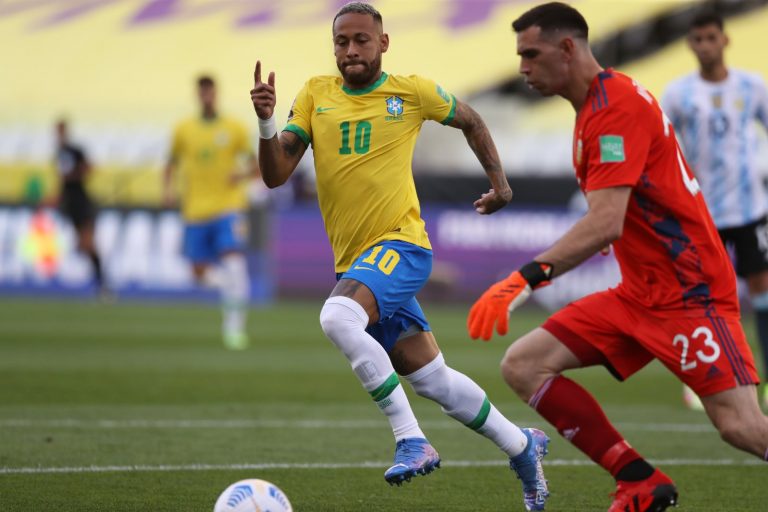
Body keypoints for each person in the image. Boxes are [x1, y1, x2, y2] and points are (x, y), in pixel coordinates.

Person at [467, 3, 768, 511]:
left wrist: (525, 278)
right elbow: (618, 218)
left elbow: (605, 221)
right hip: (639, 292)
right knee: (525, 365)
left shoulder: (616, 107)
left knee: (740, 426)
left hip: (689, 293)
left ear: (567, 49)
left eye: (530, 54)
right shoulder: (592, 111)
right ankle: (640, 481)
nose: (522, 68)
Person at [250, 2, 550, 509]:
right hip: (357, 264)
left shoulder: (410, 92)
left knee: (337, 317)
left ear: (383, 44)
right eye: (342, 41)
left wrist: (499, 186)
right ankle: (522, 447)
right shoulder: (315, 95)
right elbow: (276, 173)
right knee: (435, 381)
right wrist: (265, 122)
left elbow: (471, 120)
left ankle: (411, 439)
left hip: (401, 245)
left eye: (361, 40)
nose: (350, 50)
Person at [662, 11, 768, 410]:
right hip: (701, 212)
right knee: (701, 296)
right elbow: (662, 145)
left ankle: (767, 378)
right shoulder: (678, 93)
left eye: (711, 38)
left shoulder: (753, 87)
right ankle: (702, 378)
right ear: (690, 44)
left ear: (725, 40)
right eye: (698, 39)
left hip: (751, 208)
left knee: (762, 291)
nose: (705, 45)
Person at [163, 75, 260, 350]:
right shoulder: (183, 129)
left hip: (229, 208)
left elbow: (257, 167)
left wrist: (239, 176)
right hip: (195, 210)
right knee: (198, 273)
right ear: (198, 95)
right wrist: (168, 192)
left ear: (216, 93)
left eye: (210, 91)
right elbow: (170, 163)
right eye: (202, 92)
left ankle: (234, 328)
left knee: (235, 264)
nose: (206, 96)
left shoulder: (234, 128)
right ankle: (230, 289)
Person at [53, 118, 109, 298]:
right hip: (71, 206)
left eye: (61, 130)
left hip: (82, 202)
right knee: (86, 247)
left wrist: (75, 175)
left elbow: (89, 168)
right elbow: (61, 181)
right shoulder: (59, 153)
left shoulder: (74, 150)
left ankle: (103, 286)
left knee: (87, 245)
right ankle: (102, 285)